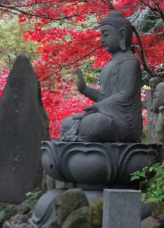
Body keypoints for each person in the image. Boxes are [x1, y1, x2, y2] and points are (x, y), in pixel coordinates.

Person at [59, 10, 143, 142]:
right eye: (101, 35)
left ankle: (81, 142)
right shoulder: (111, 63)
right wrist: (84, 89)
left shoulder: (129, 61)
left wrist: (98, 107)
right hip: (108, 115)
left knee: (96, 123)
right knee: (67, 122)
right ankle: (81, 139)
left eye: (106, 34)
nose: (102, 39)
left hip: (122, 121)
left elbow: (125, 95)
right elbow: (103, 96)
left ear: (121, 34)